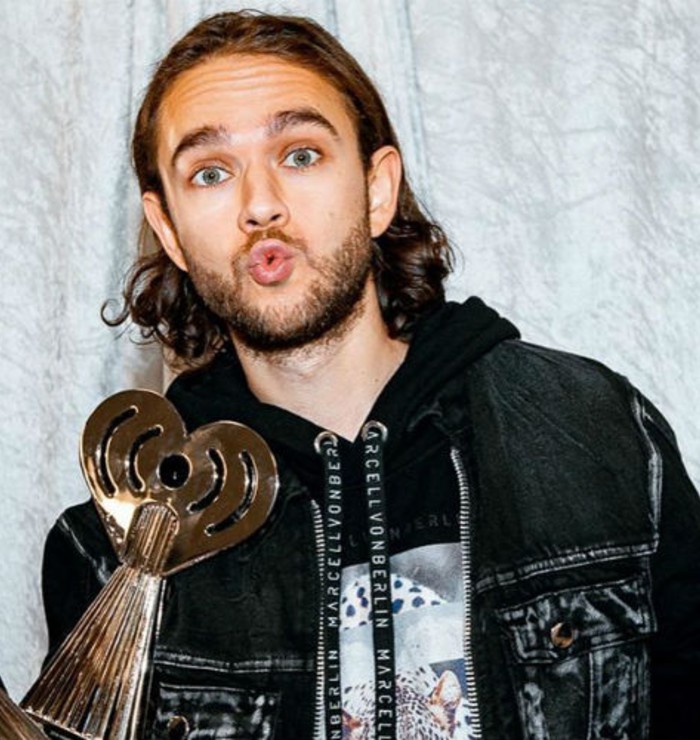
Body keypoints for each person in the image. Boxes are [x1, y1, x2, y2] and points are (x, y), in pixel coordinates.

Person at [40, 10, 700, 740]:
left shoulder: (593, 436)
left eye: (301, 155)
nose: (260, 205)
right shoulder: (117, 554)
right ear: (169, 230)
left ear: (377, 188)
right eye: (212, 173)